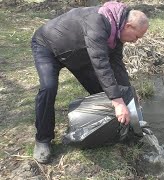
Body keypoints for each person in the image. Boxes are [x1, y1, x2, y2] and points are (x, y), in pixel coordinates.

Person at [31, 1, 149, 163]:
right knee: (48, 87)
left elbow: (117, 66)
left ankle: (120, 129)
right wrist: (118, 102)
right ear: (128, 26)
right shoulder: (98, 22)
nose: (136, 41)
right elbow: (100, 63)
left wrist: (129, 97)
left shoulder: (117, 32)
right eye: (137, 37)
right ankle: (43, 140)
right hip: (48, 47)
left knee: (103, 91)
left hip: (77, 54)